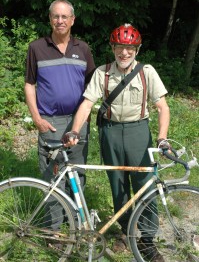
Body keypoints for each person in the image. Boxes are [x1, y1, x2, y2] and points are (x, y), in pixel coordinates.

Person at [63, 23, 169, 262]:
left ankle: (148, 241)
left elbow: (162, 107)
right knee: (118, 184)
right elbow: (87, 103)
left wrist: (162, 138)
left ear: (137, 50)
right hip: (110, 132)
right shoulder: (103, 72)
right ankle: (126, 231)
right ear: (113, 48)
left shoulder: (147, 72)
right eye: (120, 47)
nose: (124, 53)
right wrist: (74, 130)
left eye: (130, 48)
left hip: (138, 131)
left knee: (146, 185)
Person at [24, 0, 95, 230]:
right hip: (50, 122)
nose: (60, 21)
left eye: (65, 17)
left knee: (77, 174)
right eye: (56, 16)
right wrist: (37, 118)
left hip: (78, 121)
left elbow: (92, 87)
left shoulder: (82, 49)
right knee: (52, 178)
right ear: (50, 19)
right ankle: (53, 229)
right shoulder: (37, 48)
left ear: (73, 20)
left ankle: (75, 223)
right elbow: (29, 84)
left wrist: (85, 117)